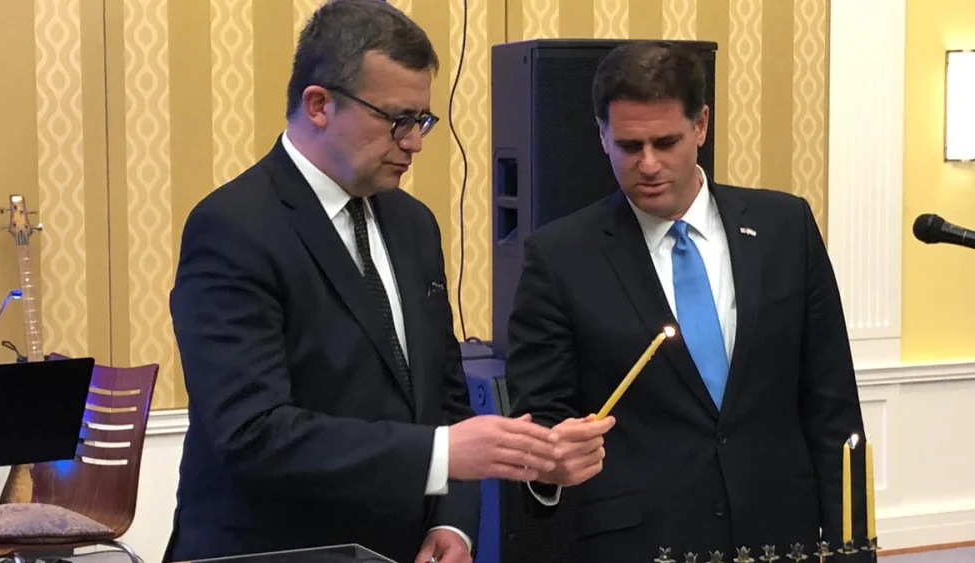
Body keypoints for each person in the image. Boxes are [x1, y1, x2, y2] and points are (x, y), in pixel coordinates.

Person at [163, 2, 562, 562]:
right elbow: (252, 432)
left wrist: (453, 525)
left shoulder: (412, 223)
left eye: (422, 120)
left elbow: (443, 398)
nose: (415, 142)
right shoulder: (233, 226)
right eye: (397, 119)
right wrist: (442, 454)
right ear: (319, 105)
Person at [505, 41, 868, 561]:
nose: (649, 165)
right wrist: (550, 463)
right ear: (602, 137)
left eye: (666, 142)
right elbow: (542, 420)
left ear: (701, 126)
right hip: (639, 542)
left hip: (781, 534)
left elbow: (832, 403)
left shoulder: (785, 227)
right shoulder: (560, 256)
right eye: (629, 146)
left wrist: (851, 545)